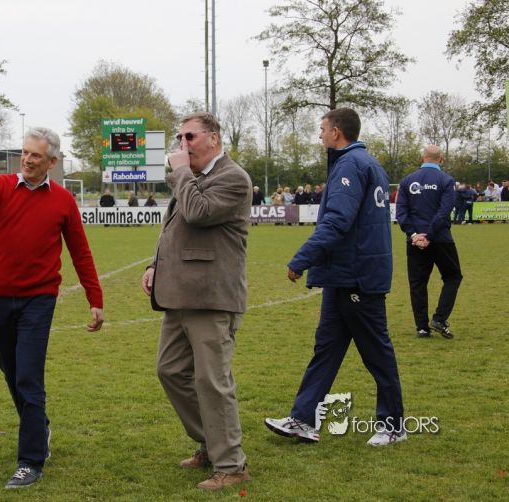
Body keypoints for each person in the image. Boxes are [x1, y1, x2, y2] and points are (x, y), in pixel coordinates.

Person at [0, 127, 104, 489]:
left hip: (38, 300)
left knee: (29, 377)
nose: (27, 160)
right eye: (25, 153)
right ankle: (39, 428)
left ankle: (30, 460)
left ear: (52, 162)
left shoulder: (63, 201)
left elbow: (80, 252)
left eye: (36, 156)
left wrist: (95, 299)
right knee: (12, 374)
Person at [265, 108, 406, 447]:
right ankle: (303, 419)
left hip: (357, 276)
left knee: (376, 353)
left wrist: (302, 259)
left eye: (322, 129)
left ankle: (393, 425)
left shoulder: (350, 165)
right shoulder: (368, 164)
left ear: (337, 132)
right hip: (343, 276)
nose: (320, 135)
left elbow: (337, 221)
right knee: (326, 350)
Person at [141, 111, 252, 491]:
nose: (182, 144)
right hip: (179, 295)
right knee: (170, 371)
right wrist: (154, 265)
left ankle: (232, 465)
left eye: (190, 137)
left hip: (212, 298)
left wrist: (180, 173)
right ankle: (211, 442)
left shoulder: (233, 178)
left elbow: (197, 213)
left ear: (214, 139)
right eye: (180, 137)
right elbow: (174, 231)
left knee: (212, 382)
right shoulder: (193, 178)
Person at [395, 145, 461, 339]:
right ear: (441, 159)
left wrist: (415, 235)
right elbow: (444, 211)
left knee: (417, 283)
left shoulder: (407, 181)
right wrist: (429, 235)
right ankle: (439, 319)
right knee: (452, 277)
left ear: (422, 158)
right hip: (440, 239)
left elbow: (401, 213)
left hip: (415, 241)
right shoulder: (446, 180)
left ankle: (422, 328)